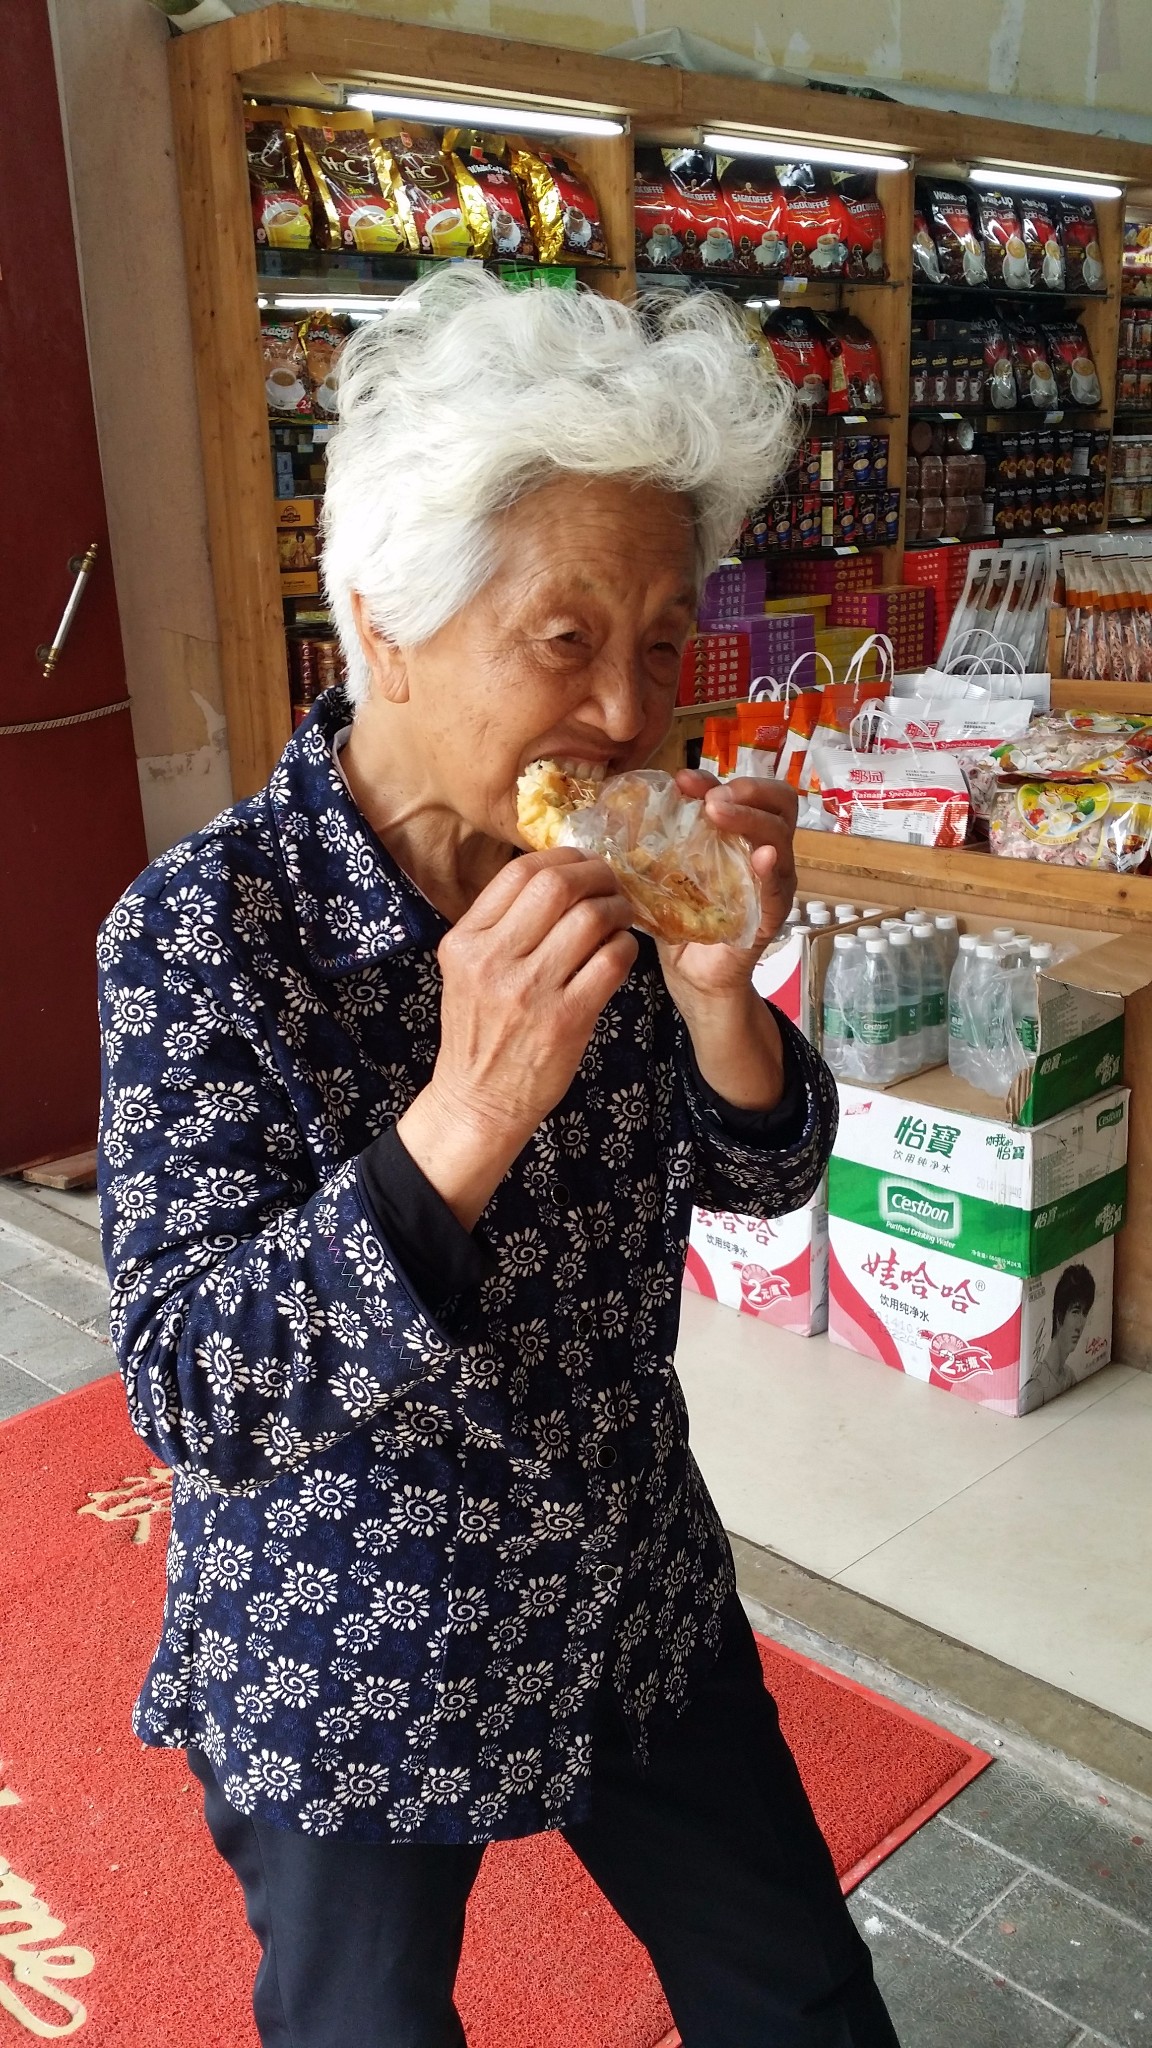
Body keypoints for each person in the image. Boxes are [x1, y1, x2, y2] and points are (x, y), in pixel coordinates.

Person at [97, 269, 899, 2048]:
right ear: (384, 620)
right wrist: (461, 1116)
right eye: (562, 637)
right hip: (350, 1636)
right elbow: (192, 1386)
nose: (626, 711)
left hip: (630, 1582)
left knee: (803, 2001)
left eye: (660, 641)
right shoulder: (206, 934)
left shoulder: (619, 866)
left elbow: (760, 1180)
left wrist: (721, 999)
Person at [1031, 1262, 1097, 1407]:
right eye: (1075, 1311)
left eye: (1084, 1313)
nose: (1081, 1324)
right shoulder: (1036, 1387)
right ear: (1059, 1316)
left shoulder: (1069, 1377)